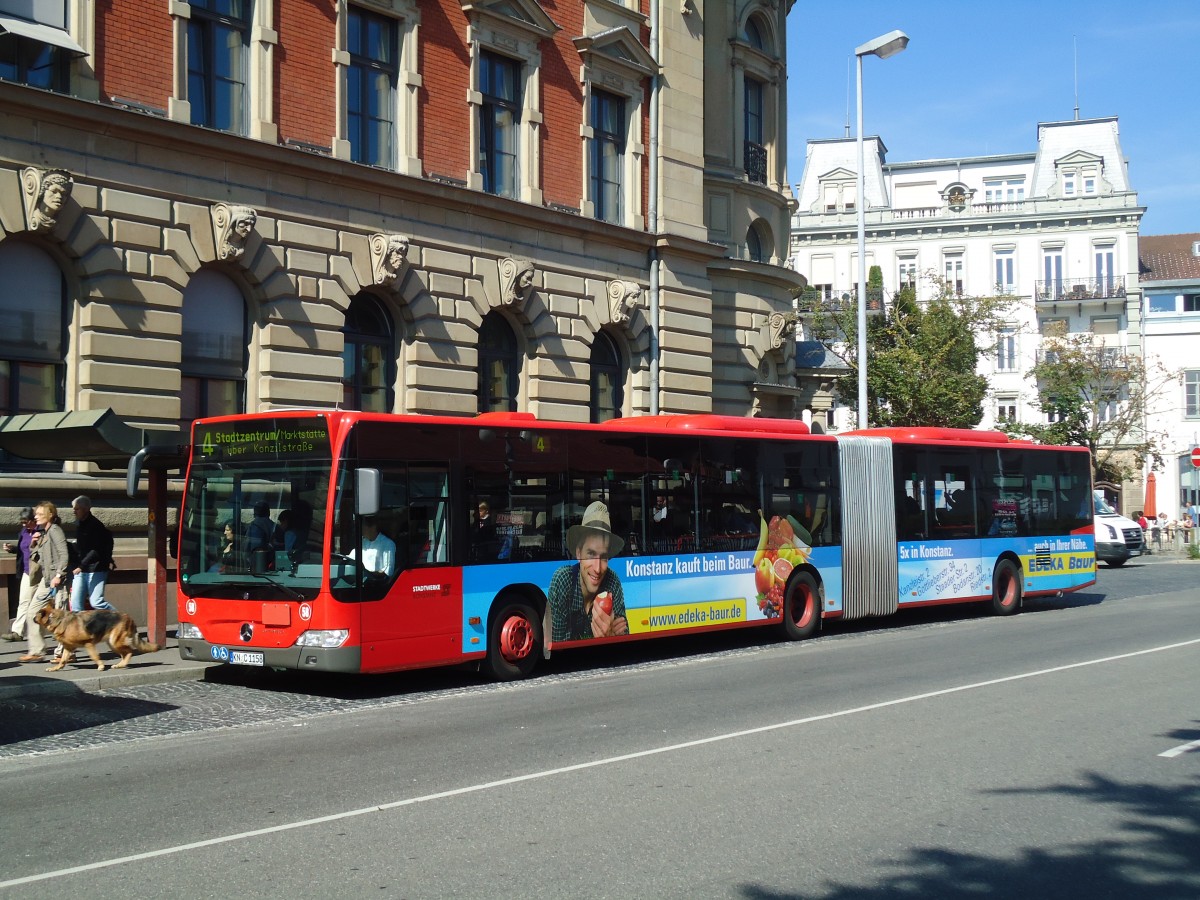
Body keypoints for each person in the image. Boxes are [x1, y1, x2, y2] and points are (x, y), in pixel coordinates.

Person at [547, 501, 629, 642]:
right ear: (578, 553)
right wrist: (604, 639)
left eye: (603, 557)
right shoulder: (563, 581)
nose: (597, 569)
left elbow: (625, 640)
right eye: (590, 554)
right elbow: (556, 646)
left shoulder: (613, 581)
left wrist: (610, 639)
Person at [21, 502, 70, 663]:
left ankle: (65, 653)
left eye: (39, 514)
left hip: (58, 581)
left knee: (61, 618)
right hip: (46, 580)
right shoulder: (43, 533)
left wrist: (59, 574)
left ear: (49, 515)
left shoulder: (55, 531)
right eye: (35, 514)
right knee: (32, 613)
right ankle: (37, 651)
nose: (35, 516)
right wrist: (34, 544)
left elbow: (64, 555)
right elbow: (39, 558)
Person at [1, 508, 42, 642]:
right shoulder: (24, 532)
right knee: (23, 601)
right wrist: (12, 548)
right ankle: (17, 632)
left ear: (33, 520)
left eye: (26, 522)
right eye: (22, 522)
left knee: (38, 604)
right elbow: (22, 549)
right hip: (26, 571)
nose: (24, 524)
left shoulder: (41, 531)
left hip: (39, 572)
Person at [69, 495, 115, 612]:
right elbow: (80, 547)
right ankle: (80, 630)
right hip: (81, 569)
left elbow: (95, 550)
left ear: (86, 509)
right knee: (75, 604)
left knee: (96, 602)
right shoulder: (79, 524)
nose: (74, 511)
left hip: (96, 569)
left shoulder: (96, 526)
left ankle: (119, 618)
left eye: (77, 509)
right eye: (73, 508)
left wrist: (81, 565)